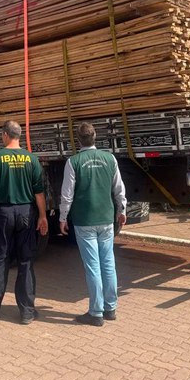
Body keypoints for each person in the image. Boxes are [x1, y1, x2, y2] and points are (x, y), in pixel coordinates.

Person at [0, 120, 48, 325]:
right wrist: (43, 216)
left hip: (3, 214)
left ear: (5, 135)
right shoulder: (32, 159)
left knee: (0, 260)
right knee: (26, 261)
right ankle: (27, 312)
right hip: (27, 212)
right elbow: (39, 192)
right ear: (18, 136)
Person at [59, 122, 127, 327]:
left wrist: (62, 217)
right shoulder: (110, 159)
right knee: (108, 263)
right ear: (95, 136)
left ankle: (96, 312)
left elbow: (67, 194)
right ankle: (111, 308)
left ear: (78, 139)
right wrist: (122, 210)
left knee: (93, 266)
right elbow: (119, 188)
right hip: (106, 219)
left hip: (84, 220)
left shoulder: (73, 162)